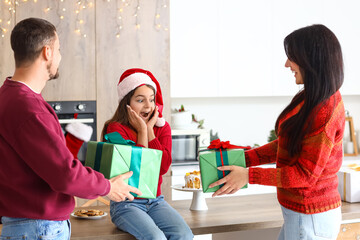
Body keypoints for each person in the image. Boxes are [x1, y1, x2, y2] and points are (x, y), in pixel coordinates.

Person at [0, 18, 141, 239]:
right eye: (59, 49)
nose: (60, 56)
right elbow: (65, 175)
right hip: (39, 228)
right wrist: (107, 187)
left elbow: (43, 164)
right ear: (47, 52)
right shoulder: (29, 107)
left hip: (27, 225)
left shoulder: (8, 96)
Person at [209, 24, 345, 240]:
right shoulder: (310, 98)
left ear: (311, 59)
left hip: (310, 219)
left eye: (292, 57)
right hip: (301, 216)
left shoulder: (325, 110)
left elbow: (305, 175)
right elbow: (287, 143)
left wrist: (248, 175)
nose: (286, 64)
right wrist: (244, 159)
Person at [101, 68, 193, 240]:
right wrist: (142, 131)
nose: (148, 106)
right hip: (126, 204)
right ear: (126, 103)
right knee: (156, 237)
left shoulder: (162, 128)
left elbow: (163, 167)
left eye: (151, 99)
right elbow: (138, 171)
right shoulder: (115, 129)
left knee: (184, 234)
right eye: (140, 100)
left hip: (156, 201)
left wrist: (150, 132)